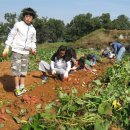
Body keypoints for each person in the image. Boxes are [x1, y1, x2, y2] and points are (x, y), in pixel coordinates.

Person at [2, 7, 37, 96]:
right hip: (17, 51)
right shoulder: (18, 25)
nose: (28, 18)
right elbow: (11, 35)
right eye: (26, 16)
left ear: (32, 18)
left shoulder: (33, 29)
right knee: (16, 70)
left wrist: (33, 49)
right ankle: (17, 89)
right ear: (23, 17)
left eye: (30, 16)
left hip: (26, 52)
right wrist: (7, 47)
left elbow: (33, 41)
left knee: (23, 70)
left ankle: (22, 86)